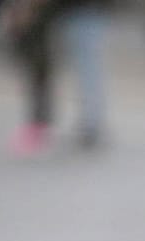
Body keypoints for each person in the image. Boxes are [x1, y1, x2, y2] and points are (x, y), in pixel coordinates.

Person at [6, 0, 107, 155]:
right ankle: (86, 122)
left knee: (86, 68)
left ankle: (90, 123)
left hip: (82, 12)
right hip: (63, 14)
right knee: (79, 68)